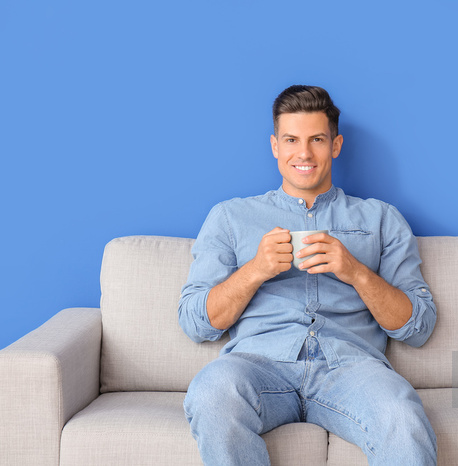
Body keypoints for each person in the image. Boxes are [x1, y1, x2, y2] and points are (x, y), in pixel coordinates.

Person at [178, 85, 438, 465]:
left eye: (317, 139)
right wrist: (255, 270)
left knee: (401, 413)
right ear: (274, 146)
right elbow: (195, 323)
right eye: (291, 140)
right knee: (211, 391)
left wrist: (355, 272)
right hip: (258, 367)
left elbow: (419, 327)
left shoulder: (381, 219)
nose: (303, 153)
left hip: (351, 369)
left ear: (335, 145)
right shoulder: (230, 218)